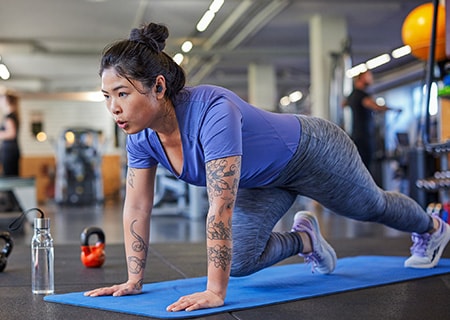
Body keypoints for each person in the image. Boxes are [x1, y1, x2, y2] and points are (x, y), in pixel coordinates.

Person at [85, 23, 450, 312]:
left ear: (158, 87)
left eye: (122, 93)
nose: (113, 107)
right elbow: (136, 206)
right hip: (262, 180)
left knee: (372, 207)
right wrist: (134, 281)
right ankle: (305, 238)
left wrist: (215, 291)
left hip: (310, 151)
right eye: (107, 96)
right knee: (239, 261)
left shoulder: (212, 112)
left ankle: (432, 228)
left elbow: (220, 208)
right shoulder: (140, 137)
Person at [344, 70, 399, 172]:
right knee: (365, 166)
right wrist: (392, 109)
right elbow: (375, 106)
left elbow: (343, 104)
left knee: (360, 166)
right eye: (368, 76)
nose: (371, 79)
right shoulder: (361, 95)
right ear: (360, 79)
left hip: (357, 134)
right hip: (364, 136)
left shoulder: (352, 95)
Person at [0, 88, 21, 176]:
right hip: (11, 150)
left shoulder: (10, 117)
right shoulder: (13, 115)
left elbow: (11, 134)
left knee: (9, 177)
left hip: (9, 151)